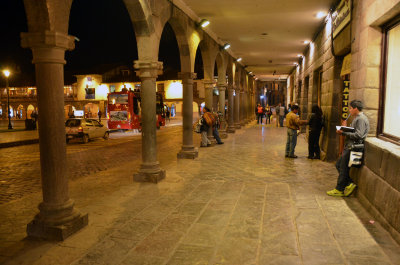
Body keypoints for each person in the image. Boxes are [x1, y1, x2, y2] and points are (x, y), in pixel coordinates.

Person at [327, 100, 369, 197]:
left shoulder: (361, 119)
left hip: (352, 146)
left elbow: (359, 134)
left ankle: (339, 189)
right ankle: (349, 183)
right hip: (350, 145)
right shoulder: (357, 118)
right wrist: (345, 128)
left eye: (350, 108)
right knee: (339, 165)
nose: (349, 110)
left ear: (355, 108)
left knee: (343, 167)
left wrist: (344, 133)